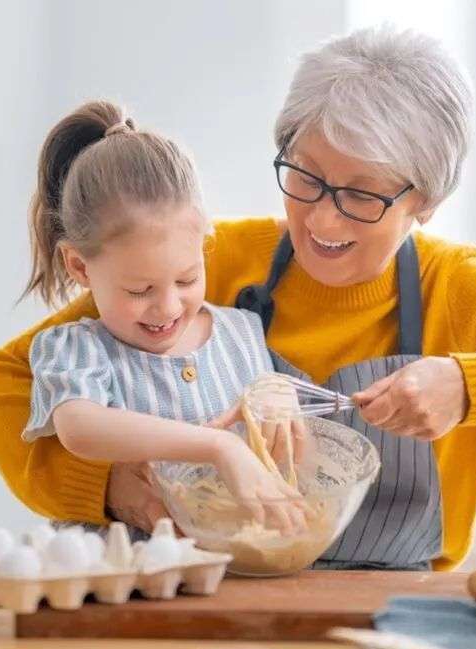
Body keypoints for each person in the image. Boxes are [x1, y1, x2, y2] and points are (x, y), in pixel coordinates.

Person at [0, 26, 476, 570]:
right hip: (208, 593)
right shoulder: (207, 265)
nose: (322, 220)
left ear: (426, 201)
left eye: (362, 195)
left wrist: (471, 386)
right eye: (305, 177)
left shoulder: (459, 294)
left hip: (389, 614)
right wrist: (109, 487)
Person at [19, 99, 306, 532]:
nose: (168, 307)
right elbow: (81, 428)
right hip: (121, 571)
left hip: (231, 567)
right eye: (140, 290)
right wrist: (218, 447)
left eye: (187, 279)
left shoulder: (243, 333)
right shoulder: (75, 350)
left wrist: (278, 397)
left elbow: (290, 461)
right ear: (79, 266)